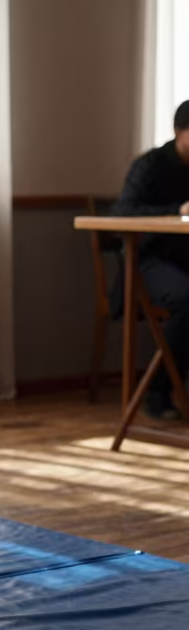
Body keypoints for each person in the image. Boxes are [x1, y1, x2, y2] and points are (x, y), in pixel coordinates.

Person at [114, 100, 189, 419]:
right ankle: (157, 390)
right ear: (179, 133)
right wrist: (176, 211)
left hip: (185, 259)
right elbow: (123, 214)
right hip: (150, 261)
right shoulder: (150, 165)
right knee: (188, 299)